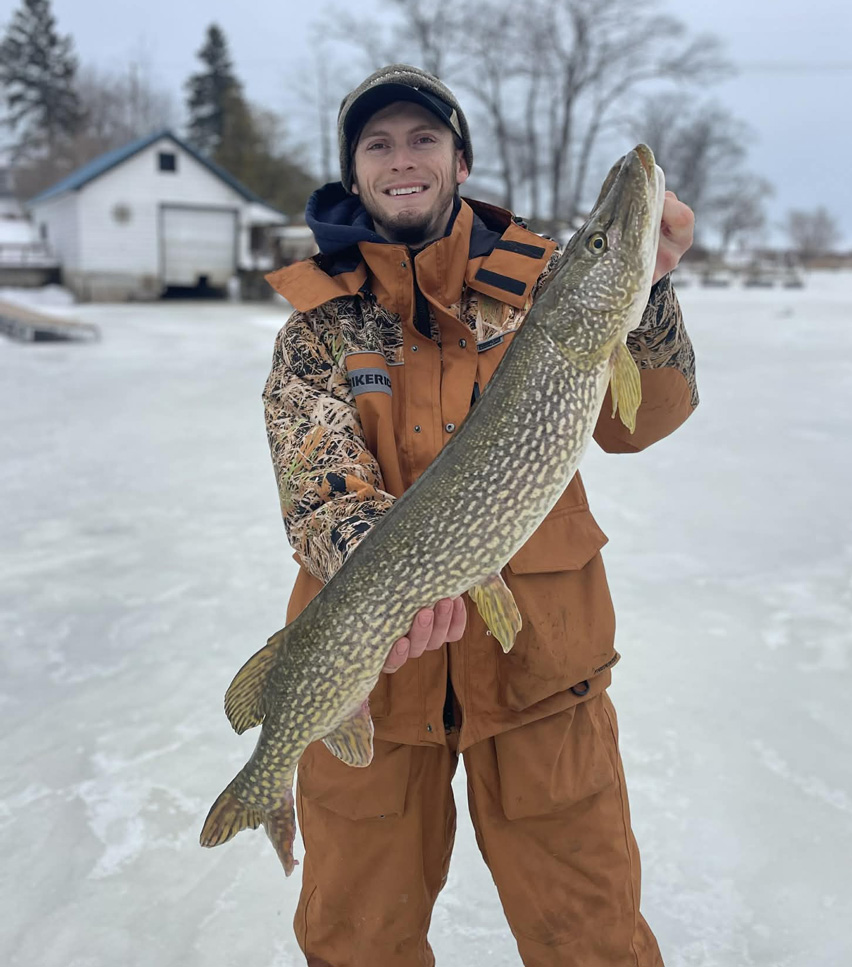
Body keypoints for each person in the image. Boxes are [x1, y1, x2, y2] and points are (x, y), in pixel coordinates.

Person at [263, 64, 697, 967]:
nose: (402, 159)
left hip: (543, 673)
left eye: (424, 138)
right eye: (377, 145)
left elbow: (642, 418)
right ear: (356, 174)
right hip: (370, 683)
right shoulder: (318, 327)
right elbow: (318, 483)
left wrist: (645, 287)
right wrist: (399, 582)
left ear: (460, 159)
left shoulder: (544, 285)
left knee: (593, 942)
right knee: (358, 945)